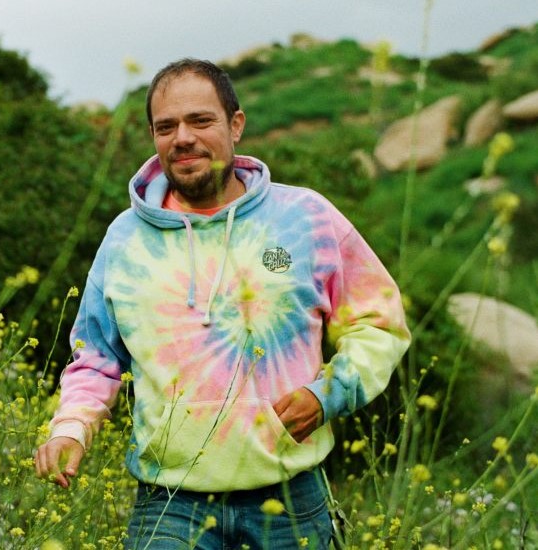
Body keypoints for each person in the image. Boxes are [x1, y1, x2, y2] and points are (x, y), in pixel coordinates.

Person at [34, 58, 410, 549]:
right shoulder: (124, 240)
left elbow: (378, 324)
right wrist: (71, 428)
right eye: (166, 127)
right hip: (168, 507)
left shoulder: (307, 217)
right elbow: (95, 358)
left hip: (293, 500)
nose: (183, 138)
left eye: (200, 121)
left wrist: (328, 394)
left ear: (236, 125)